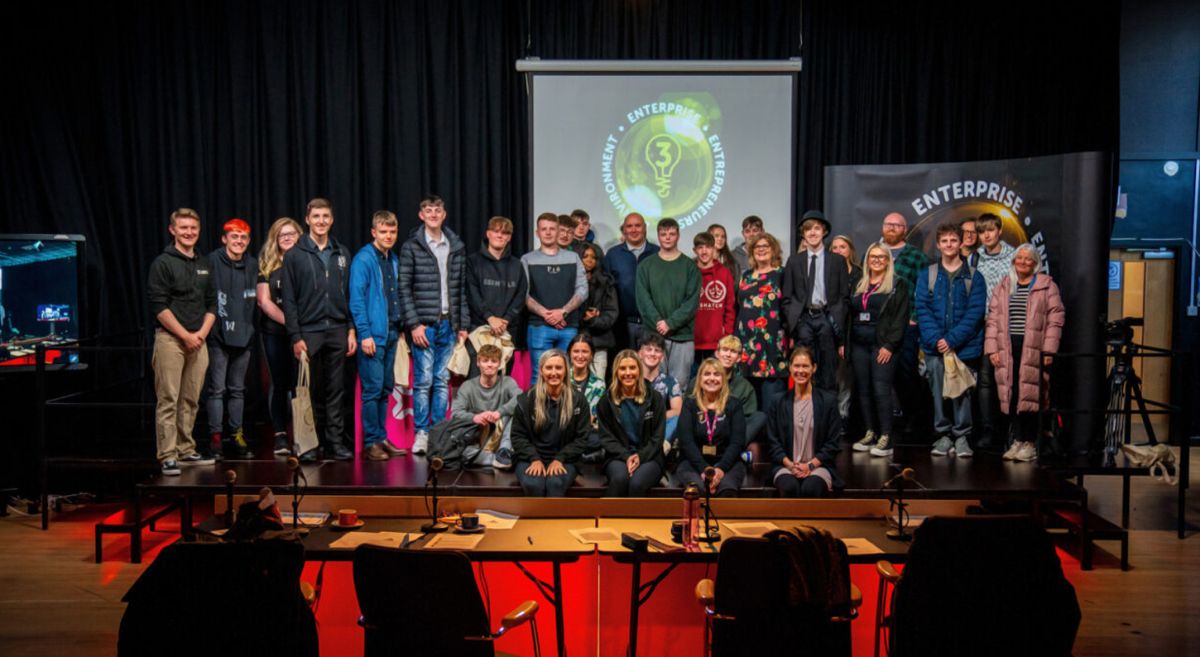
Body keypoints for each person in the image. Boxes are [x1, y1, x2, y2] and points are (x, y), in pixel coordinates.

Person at [282, 198, 357, 461]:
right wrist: (295, 335)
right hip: (308, 332)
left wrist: (350, 329)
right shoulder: (294, 255)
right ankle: (308, 444)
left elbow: (348, 294)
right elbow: (289, 300)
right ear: (307, 219)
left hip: (337, 329)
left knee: (336, 390)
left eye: (326, 216)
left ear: (332, 220)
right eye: (316, 217)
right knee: (307, 391)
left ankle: (335, 442)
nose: (321, 221)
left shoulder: (342, 253)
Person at [398, 194, 469, 455]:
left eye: (437, 209)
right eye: (428, 210)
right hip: (424, 325)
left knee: (442, 380)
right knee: (424, 381)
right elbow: (403, 288)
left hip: (448, 324)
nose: (433, 214)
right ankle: (422, 433)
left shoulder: (456, 246)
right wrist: (414, 325)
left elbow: (460, 288)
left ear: (444, 213)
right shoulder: (411, 246)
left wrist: (462, 324)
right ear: (421, 215)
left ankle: (439, 432)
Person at [148, 208, 217, 475]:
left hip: (199, 340)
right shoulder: (162, 263)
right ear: (173, 230)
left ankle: (186, 450)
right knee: (169, 398)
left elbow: (212, 303)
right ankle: (167, 454)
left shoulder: (204, 263)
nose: (189, 232)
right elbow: (158, 306)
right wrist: (185, 335)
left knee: (190, 398)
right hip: (170, 340)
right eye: (184, 228)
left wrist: (200, 334)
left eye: (193, 229)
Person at [985, 244, 1065, 462]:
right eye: (1019, 258)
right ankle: (1017, 440)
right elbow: (993, 318)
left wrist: (1049, 350)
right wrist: (992, 349)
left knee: (1029, 396)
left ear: (1035, 263)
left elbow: (1056, 318)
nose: (1022, 262)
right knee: (1010, 395)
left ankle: (1030, 444)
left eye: (1028, 259)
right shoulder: (1004, 286)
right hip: (1007, 348)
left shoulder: (1046, 286)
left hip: (1034, 348)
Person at [915, 222, 987, 458]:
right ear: (938, 245)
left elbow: (975, 313)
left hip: (964, 348)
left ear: (960, 243)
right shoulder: (928, 274)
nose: (949, 245)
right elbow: (922, 309)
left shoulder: (974, 277)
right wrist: (937, 339)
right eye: (944, 241)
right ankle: (943, 435)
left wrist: (953, 340)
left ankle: (962, 436)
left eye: (953, 240)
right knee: (938, 392)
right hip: (935, 348)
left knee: (962, 392)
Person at [349, 210, 408, 461]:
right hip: (373, 334)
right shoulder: (364, 259)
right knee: (372, 389)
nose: (388, 236)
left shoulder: (392, 258)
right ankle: (372, 441)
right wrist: (364, 333)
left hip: (392, 331)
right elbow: (357, 299)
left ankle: (382, 437)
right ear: (374, 232)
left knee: (385, 388)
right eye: (383, 232)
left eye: (392, 232)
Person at [848, 244, 911, 458]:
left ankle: (886, 437)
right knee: (864, 390)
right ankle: (870, 432)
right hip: (859, 344)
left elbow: (900, 318)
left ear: (887, 260)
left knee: (881, 389)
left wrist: (889, 345)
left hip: (882, 344)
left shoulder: (896, 284)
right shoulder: (860, 283)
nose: (876, 260)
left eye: (881, 257)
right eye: (872, 257)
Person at [204, 218, 259, 460]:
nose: (239, 241)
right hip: (217, 336)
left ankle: (236, 434)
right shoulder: (211, 261)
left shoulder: (253, 265)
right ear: (224, 239)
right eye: (234, 236)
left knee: (237, 390)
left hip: (244, 337)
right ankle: (215, 438)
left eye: (243, 237)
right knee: (217, 390)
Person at [782, 210, 848, 391]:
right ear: (803, 234)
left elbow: (844, 296)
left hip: (826, 317)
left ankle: (826, 412)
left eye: (817, 228)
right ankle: (804, 410)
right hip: (803, 319)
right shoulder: (794, 261)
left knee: (827, 369)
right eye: (808, 229)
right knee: (803, 366)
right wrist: (793, 322)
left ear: (824, 232)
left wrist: (837, 319)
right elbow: (787, 296)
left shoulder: (837, 261)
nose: (812, 232)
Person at [510, 349, 590, 497]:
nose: (554, 372)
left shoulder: (579, 400)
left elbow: (582, 438)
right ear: (541, 370)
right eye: (549, 367)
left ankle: (554, 520)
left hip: (565, 459)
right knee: (533, 484)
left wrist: (560, 459)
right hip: (530, 458)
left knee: (555, 483)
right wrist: (534, 459)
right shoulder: (526, 400)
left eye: (558, 368)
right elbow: (517, 436)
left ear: (566, 370)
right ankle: (536, 520)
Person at [767, 347, 843, 498]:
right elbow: (772, 441)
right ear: (790, 367)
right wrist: (790, 464)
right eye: (796, 366)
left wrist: (810, 465)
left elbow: (833, 443)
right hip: (787, 466)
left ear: (813, 368)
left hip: (818, 466)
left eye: (805, 366)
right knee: (789, 488)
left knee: (811, 489)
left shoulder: (828, 401)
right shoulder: (778, 401)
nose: (800, 370)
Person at [880, 212, 931, 440]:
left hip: (906, 324)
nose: (891, 228)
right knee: (879, 376)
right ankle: (881, 425)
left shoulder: (916, 257)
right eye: (888, 224)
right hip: (879, 324)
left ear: (904, 229)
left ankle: (915, 420)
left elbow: (924, 291)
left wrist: (915, 318)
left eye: (896, 225)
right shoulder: (874, 254)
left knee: (906, 373)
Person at [523, 212, 588, 383]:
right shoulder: (527, 259)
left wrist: (563, 312)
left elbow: (582, 290)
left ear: (558, 231)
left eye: (552, 228)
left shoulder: (573, 258)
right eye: (544, 229)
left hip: (568, 326)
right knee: (539, 376)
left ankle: (563, 411)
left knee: (567, 377)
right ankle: (537, 411)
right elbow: (523, 293)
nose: (548, 232)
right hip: (539, 327)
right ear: (537, 233)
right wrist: (547, 314)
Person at [257, 217, 303, 456]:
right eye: (281, 234)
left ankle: (302, 435)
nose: (286, 237)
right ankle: (280, 436)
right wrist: (291, 323)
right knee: (280, 383)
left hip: (303, 336)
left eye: (291, 233)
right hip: (275, 333)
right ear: (275, 239)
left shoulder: (307, 262)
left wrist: (299, 329)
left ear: (299, 235)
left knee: (301, 385)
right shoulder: (267, 265)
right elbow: (264, 302)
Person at [635, 217, 700, 387]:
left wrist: (670, 323)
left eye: (672, 234)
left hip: (683, 337)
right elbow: (643, 300)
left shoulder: (689, 266)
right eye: (664, 234)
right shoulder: (646, 266)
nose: (668, 237)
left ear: (678, 235)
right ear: (658, 236)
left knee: (679, 387)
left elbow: (691, 302)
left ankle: (676, 415)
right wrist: (659, 323)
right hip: (654, 336)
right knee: (653, 386)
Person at [973, 213, 1017, 452]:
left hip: (1007, 324)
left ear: (999, 230)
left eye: (990, 230)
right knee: (985, 380)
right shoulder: (975, 257)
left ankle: (1012, 431)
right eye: (982, 231)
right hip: (982, 324)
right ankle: (988, 431)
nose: (986, 235)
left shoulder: (1013, 256)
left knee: (1009, 377)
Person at [596, 349, 667, 496]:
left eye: (632, 368)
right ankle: (610, 518)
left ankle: (637, 519)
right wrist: (627, 456)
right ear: (616, 372)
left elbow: (657, 438)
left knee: (637, 482)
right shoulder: (606, 401)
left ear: (639, 371)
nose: (628, 373)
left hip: (650, 456)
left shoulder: (655, 398)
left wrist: (639, 457)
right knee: (620, 479)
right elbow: (606, 438)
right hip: (618, 456)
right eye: (622, 368)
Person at [735, 233, 789, 418]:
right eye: (757, 247)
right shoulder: (746, 276)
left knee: (772, 405)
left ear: (773, 249)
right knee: (750, 407)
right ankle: (753, 445)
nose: (761, 249)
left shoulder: (782, 274)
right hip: (747, 345)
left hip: (772, 345)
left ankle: (772, 445)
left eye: (766, 246)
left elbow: (789, 307)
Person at [674, 359, 747, 497]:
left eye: (717, 374)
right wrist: (704, 469)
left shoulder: (734, 404)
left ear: (723, 379)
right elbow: (686, 442)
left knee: (727, 491)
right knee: (697, 490)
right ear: (699, 379)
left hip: (728, 463)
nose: (712, 378)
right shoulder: (690, 404)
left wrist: (720, 469)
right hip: (693, 463)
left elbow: (737, 442)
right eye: (707, 374)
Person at [450, 344, 522, 468]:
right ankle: (494, 458)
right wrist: (476, 417)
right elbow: (455, 412)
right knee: (462, 444)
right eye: (485, 361)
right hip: (478, 436)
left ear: (499, 364)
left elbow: (521, 399)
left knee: (517, 412)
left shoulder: (508, 382)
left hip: (502, 436)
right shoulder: (468, 386)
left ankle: (503, 452)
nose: (489, 364)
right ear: (478, 363)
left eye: (494, 361)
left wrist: (499, 412)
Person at [466, 216, 527, 352]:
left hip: (507, 329)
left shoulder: (517, 265)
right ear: (488, 234)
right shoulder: (473, 262)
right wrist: (489, 317)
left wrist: (506, 319)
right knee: (479, 372)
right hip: (479, 328)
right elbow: (472, 294)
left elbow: (521, 295)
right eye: (496, 231)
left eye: (505, 233)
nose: (500, 235)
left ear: (509, 237)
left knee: (504, 372)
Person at [603, 212, 659, 348]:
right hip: (622, 325)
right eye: (629, 226)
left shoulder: (658, 253)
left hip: (651, 324)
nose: (634, 230)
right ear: (624, 229)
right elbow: (605, 289)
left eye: (638, 226)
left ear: (645, 228)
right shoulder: (613, 255)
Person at [692, 232, 736, 371]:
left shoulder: (724, 272)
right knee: (693, 383)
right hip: (692, 340)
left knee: (716, 379)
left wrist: (726, 333)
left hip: (717, 341)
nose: (704, 251)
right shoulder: (689, 271)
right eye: (700, 247)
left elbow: (730, 306)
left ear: (714, 249)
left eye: (708, 247)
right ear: (694, 250)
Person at [829, 234, 861, 421]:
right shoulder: (826, 273)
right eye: (835, 247)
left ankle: (843, 416)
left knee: (845, 378)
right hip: (829, 332)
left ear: (850, 250)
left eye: (843, 247)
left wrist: (844, 340)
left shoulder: (859, 274)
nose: (839, 251)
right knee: (829, 378)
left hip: (851, 332)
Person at [716, 335, 767, 445]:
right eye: (725, 350)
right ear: (717, 353)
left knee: (760, 417)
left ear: (739, 358)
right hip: (706, 428)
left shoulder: (745, 387)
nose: (728, 355)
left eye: (733, 351)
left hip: (732, 434)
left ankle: (732, 449)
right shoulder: (702, 379)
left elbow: (746, 420)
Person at [579, 242, 618, 380]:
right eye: (585, 256)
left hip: (600, 341)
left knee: (598, 385)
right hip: (577, 343)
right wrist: (584, 317)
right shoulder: (570, 281)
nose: (589, 260)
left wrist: (594, 320)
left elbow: (612, 313)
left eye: (593, 257)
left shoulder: (606, 283)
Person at [638, 332, 682, 446]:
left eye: (657, 350)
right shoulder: (630, 379)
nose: (653, 354)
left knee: (678, 419)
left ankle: (661, 448)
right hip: (636, 425)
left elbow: (677, 410)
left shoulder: (671, 382)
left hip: (660, 428)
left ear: (662, 357)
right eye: (648, 349)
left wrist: (654, 418)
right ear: (640, 354)